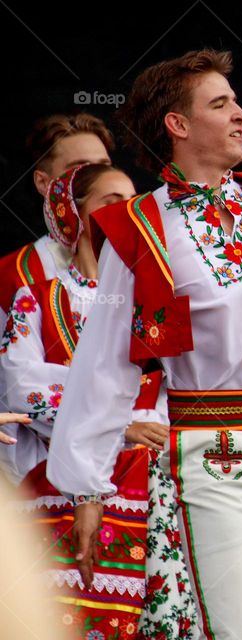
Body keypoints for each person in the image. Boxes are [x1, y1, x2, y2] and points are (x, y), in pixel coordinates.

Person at [46, 49, 242, 639]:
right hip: (219, 450)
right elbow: (106, 360)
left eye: (235, 101)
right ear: (178, 125)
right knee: (240, 628)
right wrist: (87, 482)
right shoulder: (140, 229)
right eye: (221, 104)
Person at [1, 163, 200, 638]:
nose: (125, 211)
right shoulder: (37, 299)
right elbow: (21, 387)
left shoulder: (155, 304)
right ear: (71, 215)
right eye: (111, 202)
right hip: (59, 486)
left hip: (153, 490)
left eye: (132, 202)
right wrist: (120, 425)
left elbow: (185, 388)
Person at [0, 113, 114, 483]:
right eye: (80, 169)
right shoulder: (12, 277)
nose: (97, 180)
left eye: (104, 167)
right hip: (31, 471)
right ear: (43, 182)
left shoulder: (141, 267)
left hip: (130, 468)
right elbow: (15, 383)